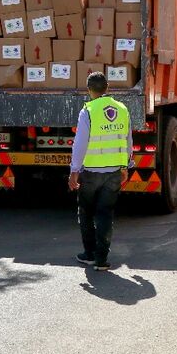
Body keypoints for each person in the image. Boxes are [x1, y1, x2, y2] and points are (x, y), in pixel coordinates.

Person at [68, 72, 133, 271]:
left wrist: (74, 172)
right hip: (114, 171)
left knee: (86, 212)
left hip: (92, 173)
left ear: (89, 90)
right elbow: (128, 141)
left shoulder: (88, 111)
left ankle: (89, 254)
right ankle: (102, 259)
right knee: (105, 213)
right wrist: (125, 167)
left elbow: (80, 144)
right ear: (107, 88)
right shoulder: (122, 109)